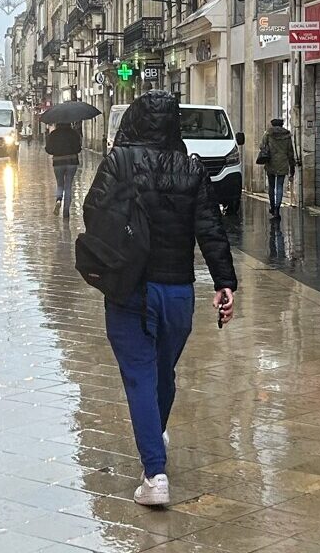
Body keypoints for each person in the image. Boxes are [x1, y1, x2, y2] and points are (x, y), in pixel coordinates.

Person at [81, 91, 237, 507]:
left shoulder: (119, 162)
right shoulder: (192, 168)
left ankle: (155, 474)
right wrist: (225, 282)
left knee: (140, 376)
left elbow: (91, 212)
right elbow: (210, 227)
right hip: (177, 291)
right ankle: (155, 435)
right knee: (162, 372)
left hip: (130, 287)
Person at [258, 117, 296, 219]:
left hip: (271, 162)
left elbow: (262, 146)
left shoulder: (268, 134)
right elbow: (290, 152)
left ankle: (272, 206)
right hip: (283, 163)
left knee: (271, 186)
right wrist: (292, 167)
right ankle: (277, 209)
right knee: (279, 186)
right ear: (282, 125)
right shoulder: (287, 136)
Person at [46, 122, 82, 218]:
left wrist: (57, 151)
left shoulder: (53, 134)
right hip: (71, 162)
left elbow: (48, 149)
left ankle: (58, 200)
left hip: (58, 162)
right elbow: (78, 148)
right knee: (68, 186)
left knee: (60, 184)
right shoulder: (74, 133)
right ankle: (66, 212)